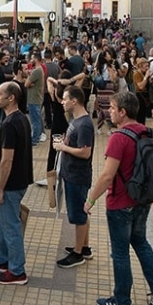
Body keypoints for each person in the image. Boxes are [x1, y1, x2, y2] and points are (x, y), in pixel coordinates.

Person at [84, 91, 153, 305]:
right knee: (141, 244)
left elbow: (106, 176)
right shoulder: (146, 132)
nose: (109, 112)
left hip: (121, 203)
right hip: (142, 201)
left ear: (123, 112)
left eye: (112, 108)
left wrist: (91, 199)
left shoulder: (119, 138)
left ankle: (121, 302)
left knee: (120, 253)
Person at [0, 81, 33, 285]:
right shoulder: (21, 119)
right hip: (20, 180)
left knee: (11, 227)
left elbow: (7, 160)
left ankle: (17, 270)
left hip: (11, 184)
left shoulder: (10, 124)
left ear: (11, 98)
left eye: (0, 94)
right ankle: (1, 259)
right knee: (3, 222)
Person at [54, 85, 94, 268]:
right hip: (71, 173)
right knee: (81, 213)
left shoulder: (85, 124)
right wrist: (64, 143)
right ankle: (83, 247)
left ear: (74, 101)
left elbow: (85, 153)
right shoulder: (75, 120)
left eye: (64, 98)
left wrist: (64, 148)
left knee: (78, 215)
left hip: (77, 176)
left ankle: (78, 253)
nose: (62, 101)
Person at [24, 51, 45, 146]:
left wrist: (29, 82)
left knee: (35, 120)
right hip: (36, 97)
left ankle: (35, 139)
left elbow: (26, 84)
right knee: (36, 119)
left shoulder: (37, 71)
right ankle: (37, 136)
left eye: (32, 58)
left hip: (33, 99)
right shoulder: (38, 70)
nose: (30, 61)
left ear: (36, 59)